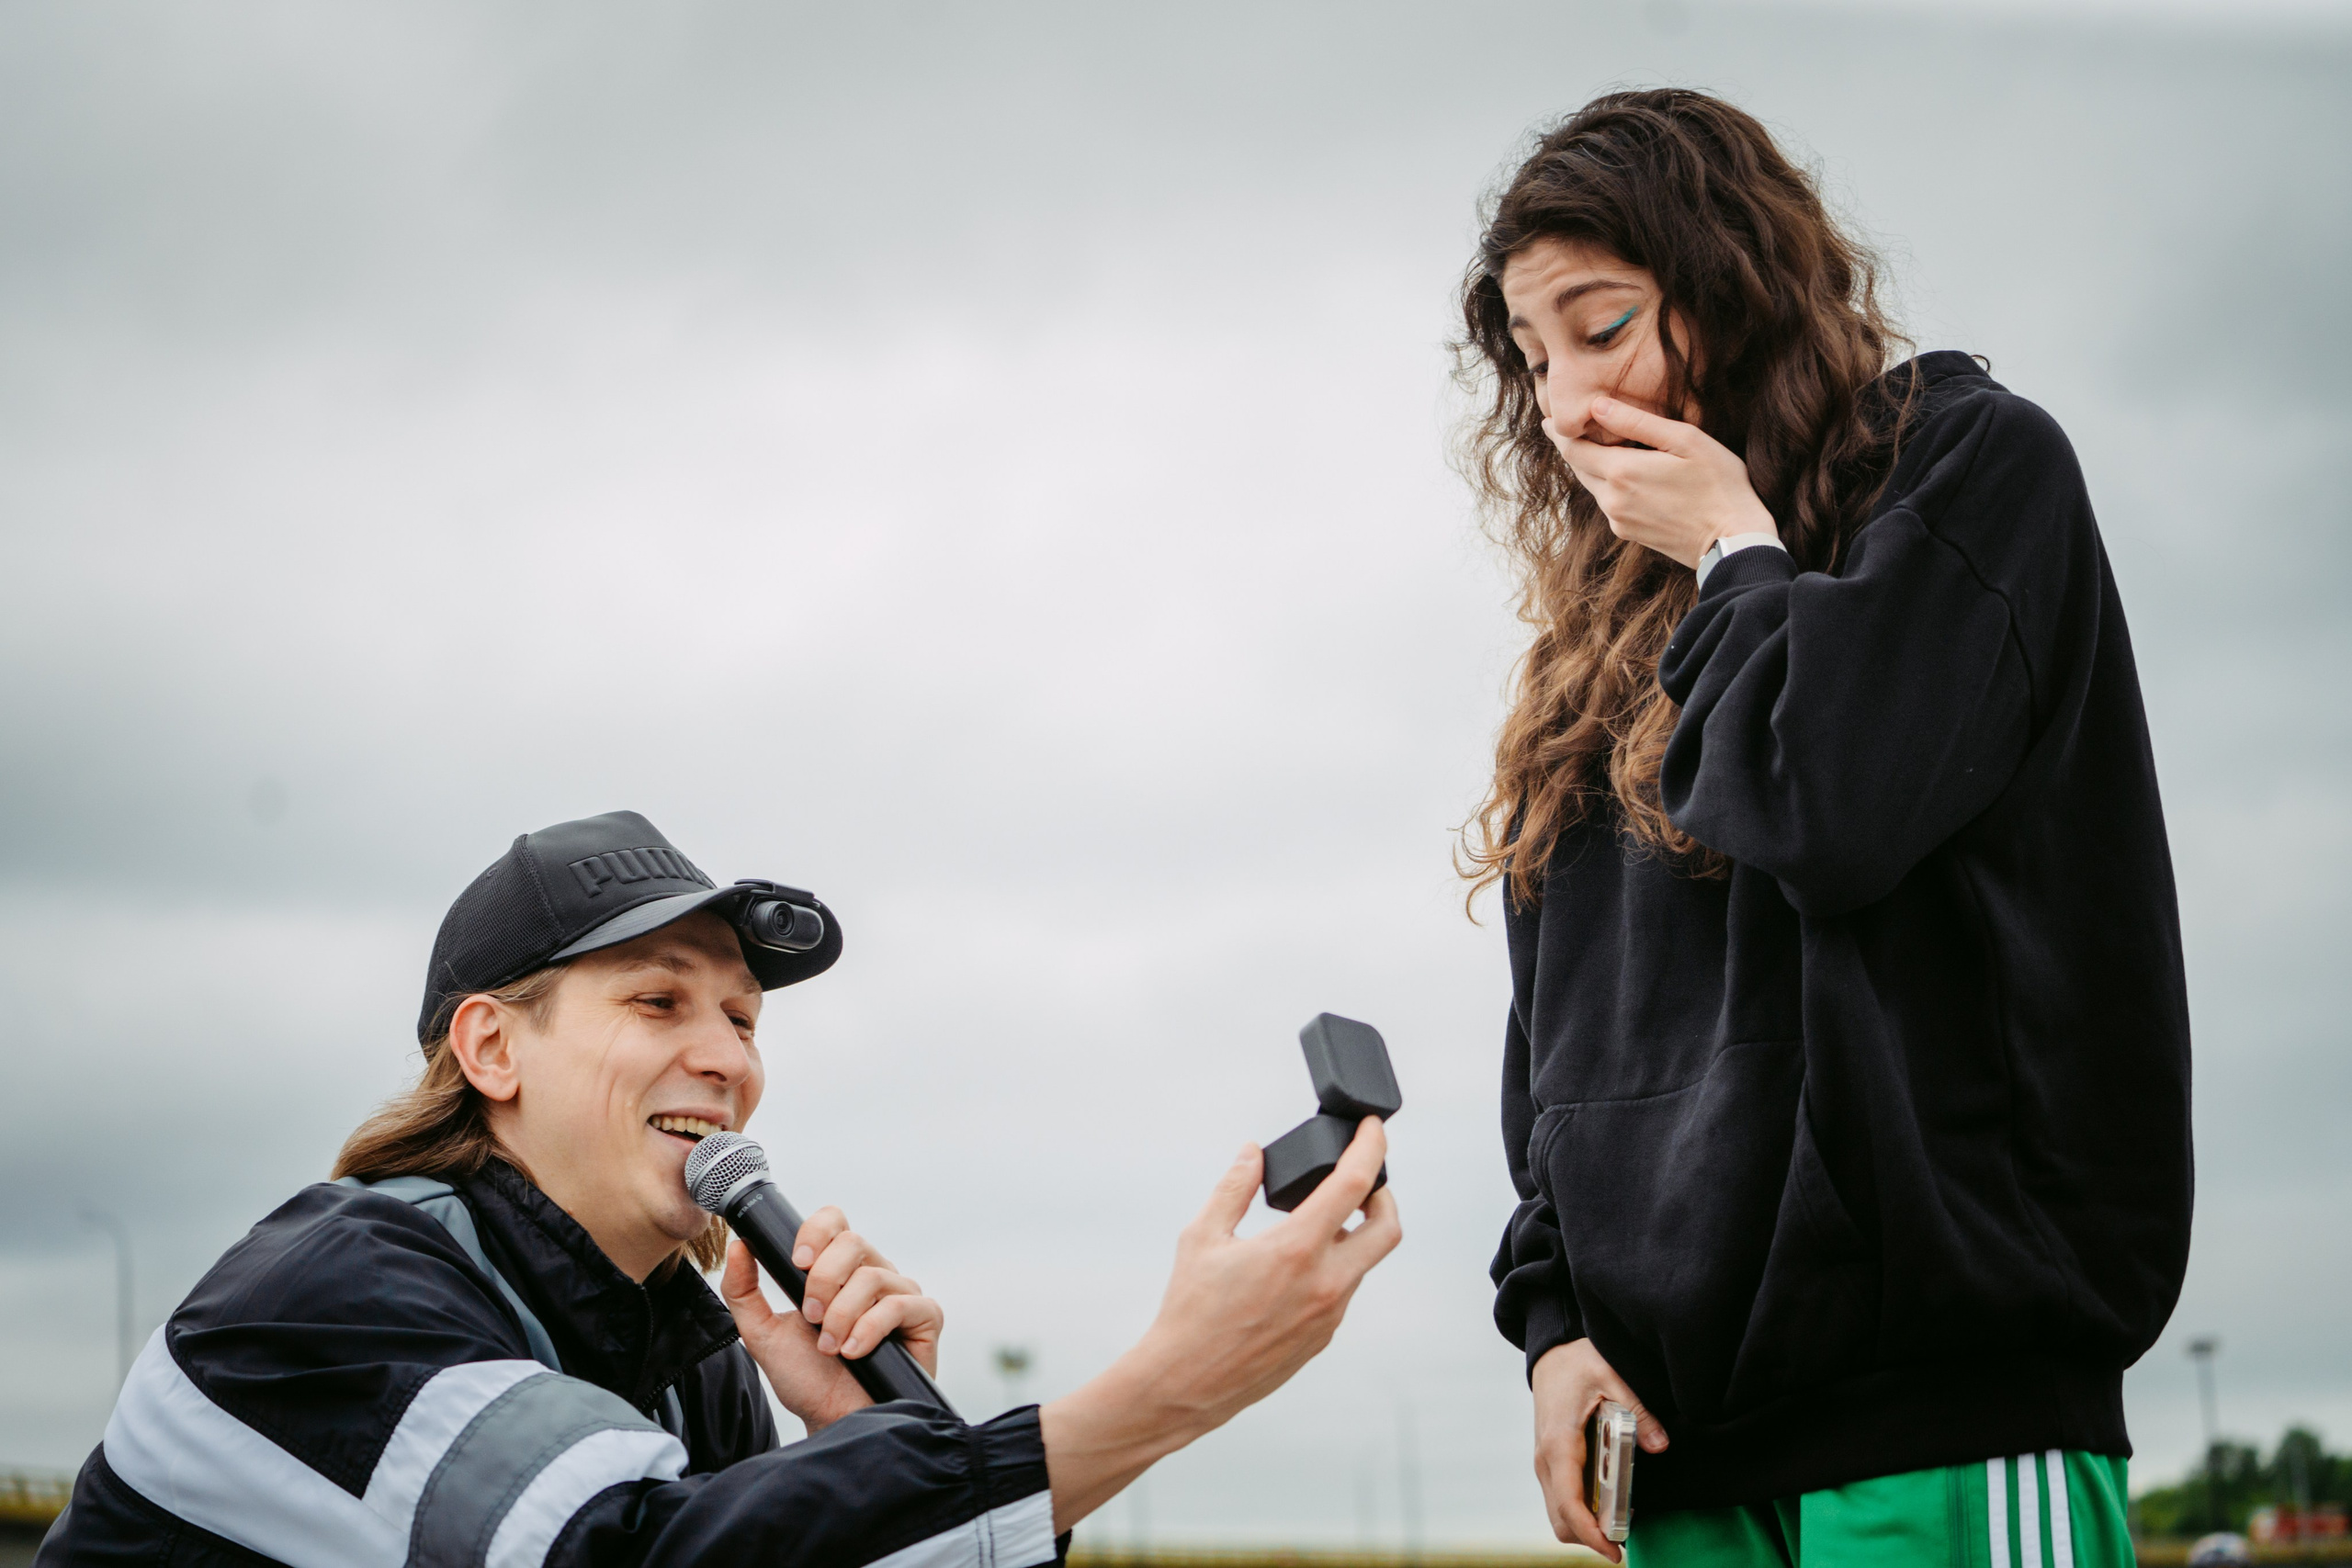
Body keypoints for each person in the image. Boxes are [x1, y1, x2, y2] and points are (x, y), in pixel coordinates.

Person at [1457, 92, 2191, 1566]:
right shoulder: (1588, 655)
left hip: (1951, 1421)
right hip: (1681, 1453)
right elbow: (1559, 1049)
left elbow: (1830, 805)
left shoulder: (1978, 475)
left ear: (1728, 286)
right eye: (1532, 361)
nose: (1565, 402)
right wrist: (1551, 1329)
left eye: (1603, 330)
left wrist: (1739, 555)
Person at [39, 809, 1400, 1567]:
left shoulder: (688, 1365)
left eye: (744, 1021)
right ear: (491, 1046)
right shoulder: (332, 1293)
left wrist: (852, 1441)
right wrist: (1171, 1384)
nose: (724, 1061)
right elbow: (629, 1563)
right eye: (657, 1002)